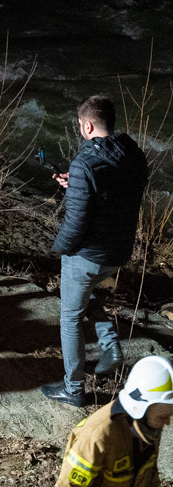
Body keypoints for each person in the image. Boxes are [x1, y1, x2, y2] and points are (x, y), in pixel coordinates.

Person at [41, 96, 148, 407]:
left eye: (80, 126)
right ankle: (111, 347)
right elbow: (114, 192)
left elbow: (75, 223)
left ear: (87, 125)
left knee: (70, 317)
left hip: (88, 254)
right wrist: (75, 185)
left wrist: (59, 249)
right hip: (118, 252)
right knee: (85, 294)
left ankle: (74, 389)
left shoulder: (86, 163)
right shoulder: (133, 155)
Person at [44, 355, 172, 487]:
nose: (167, 422)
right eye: (163, 416)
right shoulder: (97, 436)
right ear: (142, 407)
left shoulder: (148, 428)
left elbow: (149, 478)